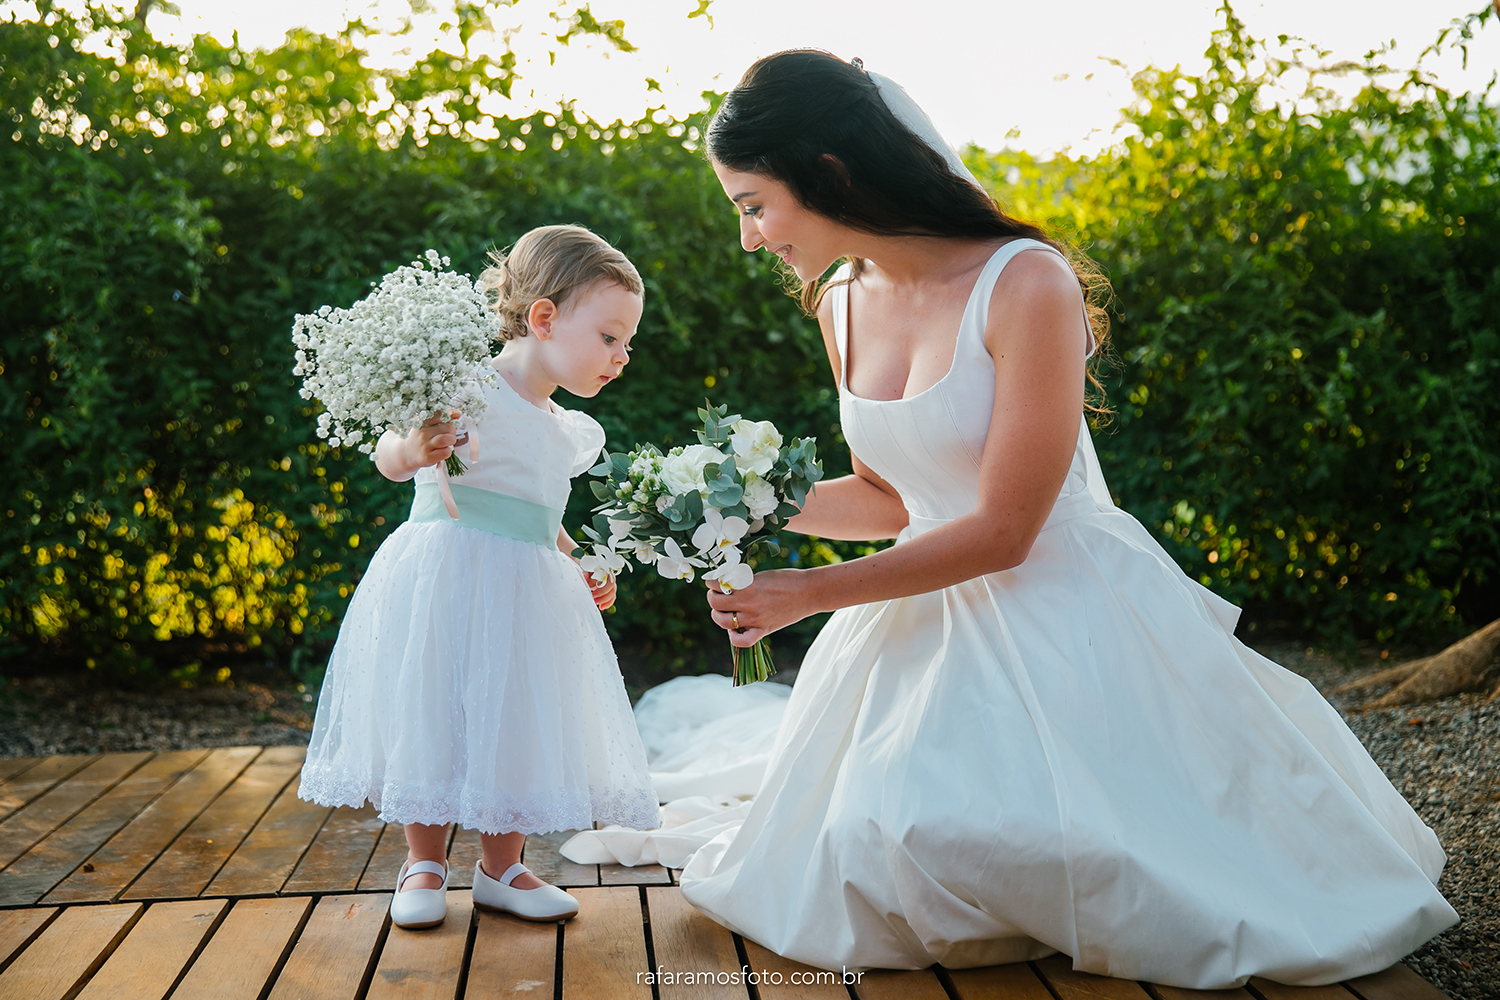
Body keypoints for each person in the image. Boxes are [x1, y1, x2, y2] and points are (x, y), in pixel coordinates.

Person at [664, 51, 1455, 988]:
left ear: (829, 173)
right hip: (918, 620)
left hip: (1063, 614)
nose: (749, 239)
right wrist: (746, 495)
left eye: (753, 205)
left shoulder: (1025, 283)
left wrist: (810, 593)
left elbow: (1006, 528)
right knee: (861, 851)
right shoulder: (839, 300)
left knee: (1038, 853)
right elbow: (890, 500)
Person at [298, 224, 659, 929]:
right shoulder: (465, 385)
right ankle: (423, 862)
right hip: (446, 575)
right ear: (545, 319)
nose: (621, 356)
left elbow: (534, 513)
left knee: (515, 717)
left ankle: (502, 868)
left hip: (525, 593)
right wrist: (414, 446)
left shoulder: (564, 429)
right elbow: (387, 458)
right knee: (434, 707)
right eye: (610, 337)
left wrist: (577, 559)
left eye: (627, 344)